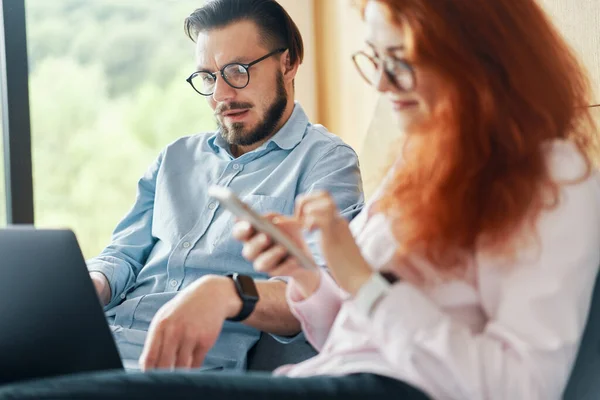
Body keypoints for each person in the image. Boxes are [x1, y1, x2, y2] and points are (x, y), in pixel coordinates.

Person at [1, 0, 599, 399]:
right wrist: (306, 274)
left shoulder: (555, 178)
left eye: (402, 62)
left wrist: (357, 279)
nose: (384, 87)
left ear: (482, 55)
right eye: (376, 61)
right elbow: (338, 323)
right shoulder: (420, 171)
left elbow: (519, 385)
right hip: (321, 372)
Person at [86, 0, 364, 372]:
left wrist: (229, 292)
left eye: (237, 70)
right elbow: (122, 256)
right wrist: (88, 286)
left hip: (175, 367)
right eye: (208, 77)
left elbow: (317, 294)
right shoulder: (176, 157)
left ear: (289, 62)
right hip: (97, 345)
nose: (221, 95)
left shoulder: (325, 161)